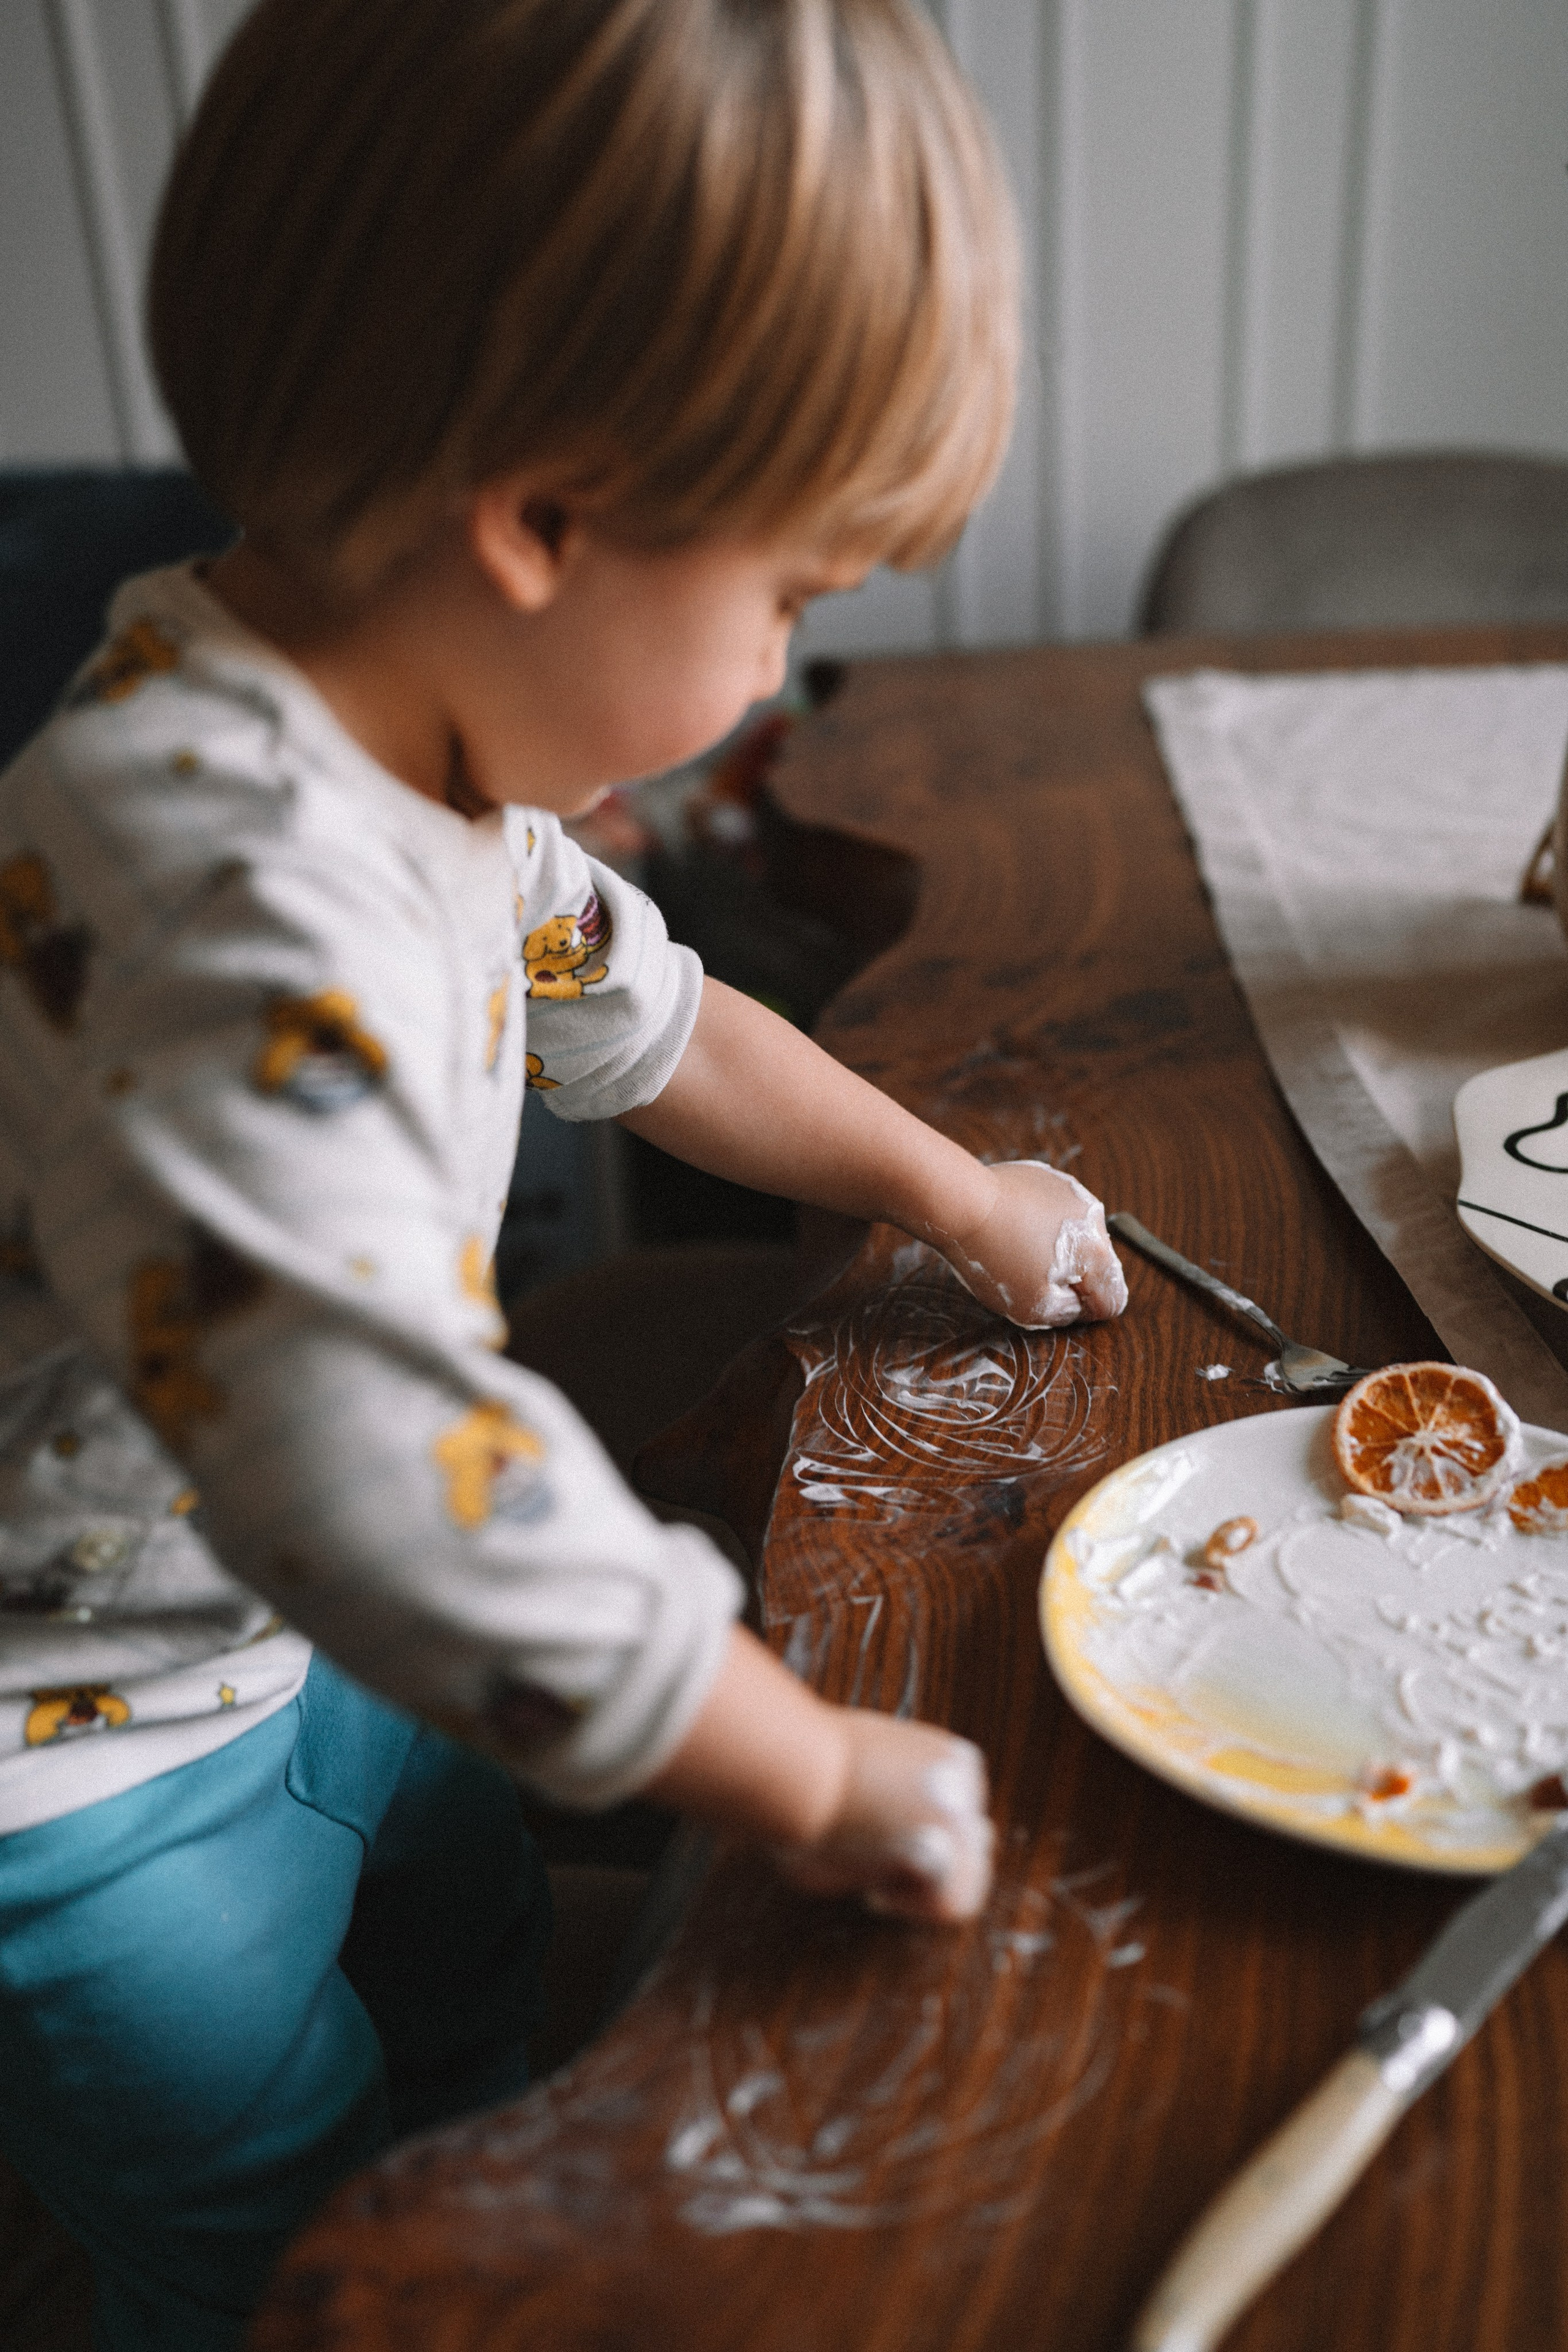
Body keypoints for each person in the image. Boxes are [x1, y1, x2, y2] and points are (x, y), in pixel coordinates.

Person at [0, 0, 1128, 2341]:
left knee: (465, 1997)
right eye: (792, 601)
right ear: (541, 517)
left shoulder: (416, 761)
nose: (787, 669)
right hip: (80, 1784)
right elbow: (383, 1479)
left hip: (324, 1635)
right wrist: (803, 1770)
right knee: (295, 2250)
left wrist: (949, 1187)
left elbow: (661, 1020)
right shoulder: (216, 893)